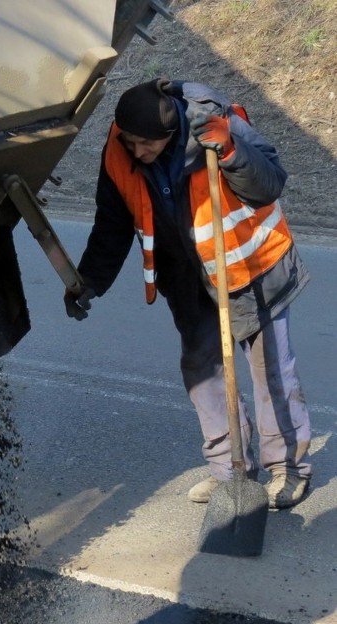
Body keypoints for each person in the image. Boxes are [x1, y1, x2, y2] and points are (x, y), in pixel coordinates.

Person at [64, 78, 311, 510]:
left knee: (270, 371)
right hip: (185, 278)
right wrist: (91, 281)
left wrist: (231, 151)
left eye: (147, 144)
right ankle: (230, 471)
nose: (137, 151)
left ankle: (288, 469)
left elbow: (270, 183)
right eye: (131, 141)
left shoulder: (218, 123)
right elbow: (113, 223)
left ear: (171, 133)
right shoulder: (120, 148)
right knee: (203, 373)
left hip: (252, 269)